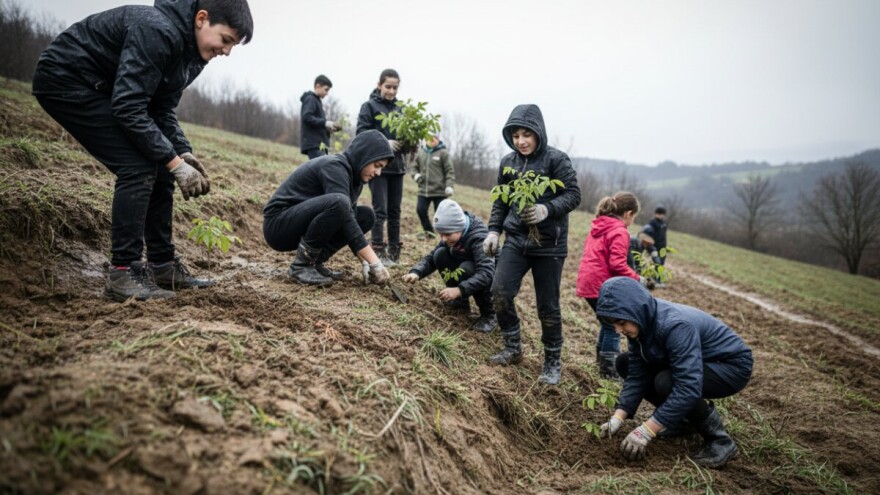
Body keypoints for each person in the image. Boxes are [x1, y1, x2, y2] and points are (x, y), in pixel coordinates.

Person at [31, 0, 254, 302]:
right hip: (67, 80)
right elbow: (128, 107)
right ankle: (123, 273)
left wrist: (183, 153)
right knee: (138, 166)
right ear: (202, 19)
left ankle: (162, 266)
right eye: (225, 40)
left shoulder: (193, 55)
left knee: (162, 164)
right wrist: (173, 161)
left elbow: (161, 109)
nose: (226, 52)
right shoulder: (156, 30)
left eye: (232, 46)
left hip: (106, 90)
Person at [596, 276, 753, 469]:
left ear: (635, 310)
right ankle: (682, 420)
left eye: (620, 322)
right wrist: (618, 417)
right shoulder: (640, 322)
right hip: (699, 360)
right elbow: (637, 372)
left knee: (667, 382)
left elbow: (688, 386)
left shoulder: (675, 326)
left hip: (730, 365)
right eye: (614, 324)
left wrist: (647, 430)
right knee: (625, 363)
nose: (618, 329)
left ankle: (720, 441)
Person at [483, 104, 581, 385]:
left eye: (526, 134)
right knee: (499, 292)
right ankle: (512, 347)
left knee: (547, 307)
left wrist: (545, 210)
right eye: (515, 135)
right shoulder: (508, 163)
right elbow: (501, 200)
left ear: (539, 132)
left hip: (549, 244)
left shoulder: (556, 160)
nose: (521, 141)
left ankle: (552, 362)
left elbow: (574, 195)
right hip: (516, 239)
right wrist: (493, 231)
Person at [263, 130, 394, 287]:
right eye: (377, 165)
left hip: (298, 222)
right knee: (340, 203)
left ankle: (315, 262)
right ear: (364, 155)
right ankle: (301, 266)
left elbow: (348, 222)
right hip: (278, 225)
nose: (378, 172)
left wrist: (365, 262)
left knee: (366, 216)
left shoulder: (355, 178)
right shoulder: (335, 166)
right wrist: (375, 262)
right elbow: (341, 209)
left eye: (382, 168)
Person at [576, 192, 651, 380]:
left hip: (588, 281)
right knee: (613, 326)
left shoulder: (599, 225)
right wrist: (637, 279)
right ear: (628, 213)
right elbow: (617, 264)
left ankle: (602, 363)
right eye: (634, 216)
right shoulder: (619, 231)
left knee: (606, 322)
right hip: (601, 285)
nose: (633, 220)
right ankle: (609, 371)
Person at [401, 200, 496, 333]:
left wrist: (459, 290)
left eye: (447, 234)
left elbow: (486, 273)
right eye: (441, 234)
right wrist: (416, 272)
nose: (443, 239)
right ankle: (460, 303)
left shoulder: (479, 238)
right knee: (440, 254)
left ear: (460, 228)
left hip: (490, 274)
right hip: (468, 264)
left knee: (468, 268)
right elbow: (432, 257)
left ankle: (489, 315)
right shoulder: (452, 233)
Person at [357, 68, 405, 266]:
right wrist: (386, 141)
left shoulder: (400, 109)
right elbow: (362, 133)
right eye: (388, 87)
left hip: (397, 167)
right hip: (378, 166)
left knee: (395, 211)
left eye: (395, 87)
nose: (392, 91)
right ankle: (378, 249)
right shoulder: (369, 107)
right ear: (379, 85)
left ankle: (394, 251)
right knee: (380, 210)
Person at [411, 132, 455, 240]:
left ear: (438, 139)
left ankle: (443, 236)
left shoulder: (443, 153)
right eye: (429, 138)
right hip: (423, 190)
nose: (432, 140)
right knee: (420, 210)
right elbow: (414, 168)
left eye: (434, 138)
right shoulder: (421, 152)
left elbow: (449, 171)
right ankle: (429, 233)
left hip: (439, 191)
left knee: (440, 216)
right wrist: (416, 175)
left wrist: (449, 185)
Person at [300, 75, 340, 159]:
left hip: (320, 145)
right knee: (321, 169)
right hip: (315, 144)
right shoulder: (310, 99)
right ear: (318, 86)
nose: (327, 93)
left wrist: (328, 129)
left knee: (320, 170)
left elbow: (317, 123)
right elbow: (307, 117)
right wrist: (325, 123)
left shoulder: (317, 101)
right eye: (326, 89)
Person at [641, 205, 668, 285]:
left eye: (662, 214)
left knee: (661, 263)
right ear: (655, 214)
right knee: (656, 263)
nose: (660, 215)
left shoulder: (665, 223)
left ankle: (658, 279)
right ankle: (654, 280)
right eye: (659, 214)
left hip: (662, 246)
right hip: (654, 246)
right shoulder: (652, 222)